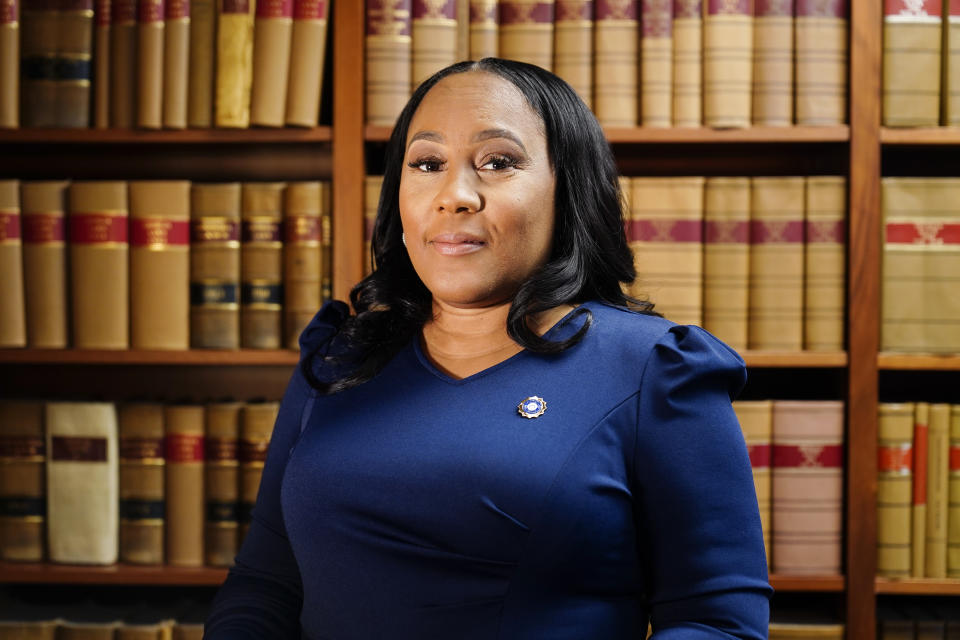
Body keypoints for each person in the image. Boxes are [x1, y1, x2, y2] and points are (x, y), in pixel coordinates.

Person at [204, 58, 772, 639]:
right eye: (427, 164)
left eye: (498, 163)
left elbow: (717, 623)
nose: (454, 195)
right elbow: (266, 583)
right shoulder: (338, 360)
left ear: (567, 191)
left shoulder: (656, 371)